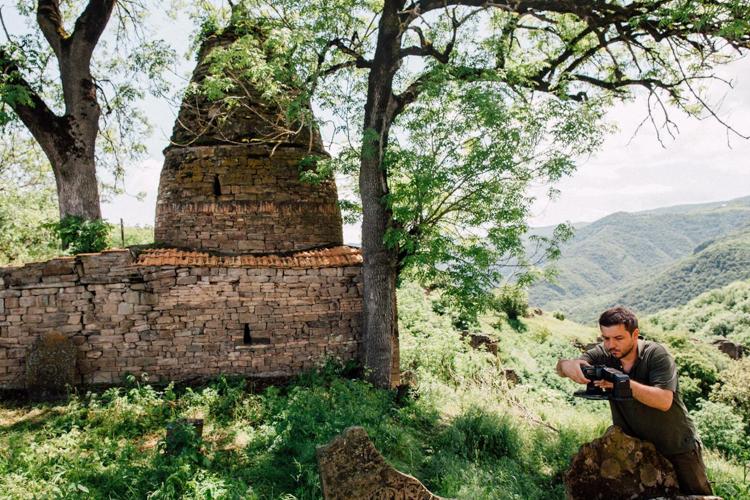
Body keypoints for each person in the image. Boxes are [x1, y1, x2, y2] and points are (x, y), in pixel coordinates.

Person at [556, 306, 712, 495]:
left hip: (677, 447)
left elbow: (664, 400)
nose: (611, 345)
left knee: (697, 496)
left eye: (618, 338)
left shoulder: (657, 355)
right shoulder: (606, 354)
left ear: (635, 334)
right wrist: (568, 366)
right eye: (606, 338)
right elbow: (565, 366)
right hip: (635, 449)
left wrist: (620, 382)